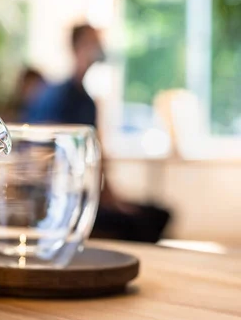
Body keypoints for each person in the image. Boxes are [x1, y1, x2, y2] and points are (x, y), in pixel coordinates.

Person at [24, 24, 170, 242]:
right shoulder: (56, 96)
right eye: (92, 42)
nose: (99, 47)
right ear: (77, 47)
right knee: (140, 225)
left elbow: (96, 159)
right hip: (58, 199)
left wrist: (115, 201)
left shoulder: (88, 102)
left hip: (84, 195)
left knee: (158, 215)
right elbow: (41, 157)